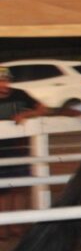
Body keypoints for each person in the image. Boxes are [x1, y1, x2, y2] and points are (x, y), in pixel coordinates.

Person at [0, 66, 48, 222]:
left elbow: (43, 108)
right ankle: (4, 226)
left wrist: (27, 113)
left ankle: (18, 224)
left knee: (20, 188)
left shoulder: (20, 94)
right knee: (3, 191)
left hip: (19, 148)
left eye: (6, 80)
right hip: (1, 151)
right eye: (1, 81)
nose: (3, 84)